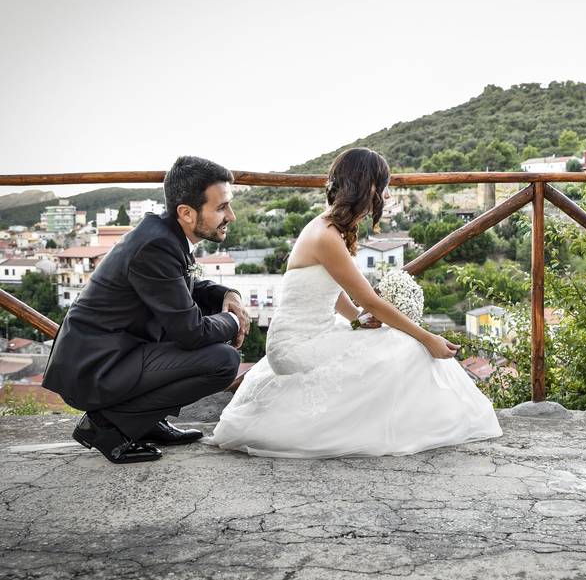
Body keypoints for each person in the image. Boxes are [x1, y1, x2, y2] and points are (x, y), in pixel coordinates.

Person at [209, 148, 501, 457]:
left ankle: (413, 419)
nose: (386, 196)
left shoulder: (330, 227)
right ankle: (423, 423)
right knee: (407, 346)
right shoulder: (325, 235)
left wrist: (355, 319)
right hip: (296, 345)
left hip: (314, 332)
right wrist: (428, 338)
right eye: (382, 187)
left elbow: (331, 289)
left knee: (391, 340)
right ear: (368, 188)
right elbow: (370, 301)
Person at [43, 156, 250, 463]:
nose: (230, 216)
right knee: (222, 360)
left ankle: (144, 423)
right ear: (187, 213)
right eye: (221, 207)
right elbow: (191, 332)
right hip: (96, 367)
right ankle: (107, 426)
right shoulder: (157, 246)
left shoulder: (164, 235)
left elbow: (179, 288)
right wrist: (234, 320)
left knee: (214, 349)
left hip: (112, 354)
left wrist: (227, 293)